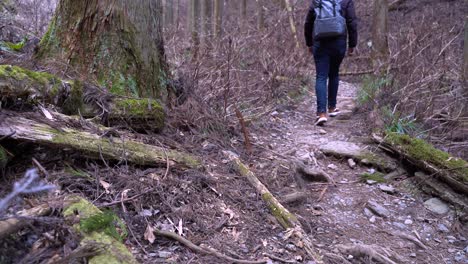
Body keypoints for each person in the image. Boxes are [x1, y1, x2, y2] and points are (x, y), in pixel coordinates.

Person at [304, 0, 358, 126]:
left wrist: (309, 43)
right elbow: (352, 23)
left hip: (320, 42)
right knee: (334, 74)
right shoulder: (346, 1)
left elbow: (308, 23)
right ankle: (332, 108)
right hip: (339, 42)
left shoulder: (318, 1)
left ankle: (321, 113)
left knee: (321, 76)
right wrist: (352, 44)